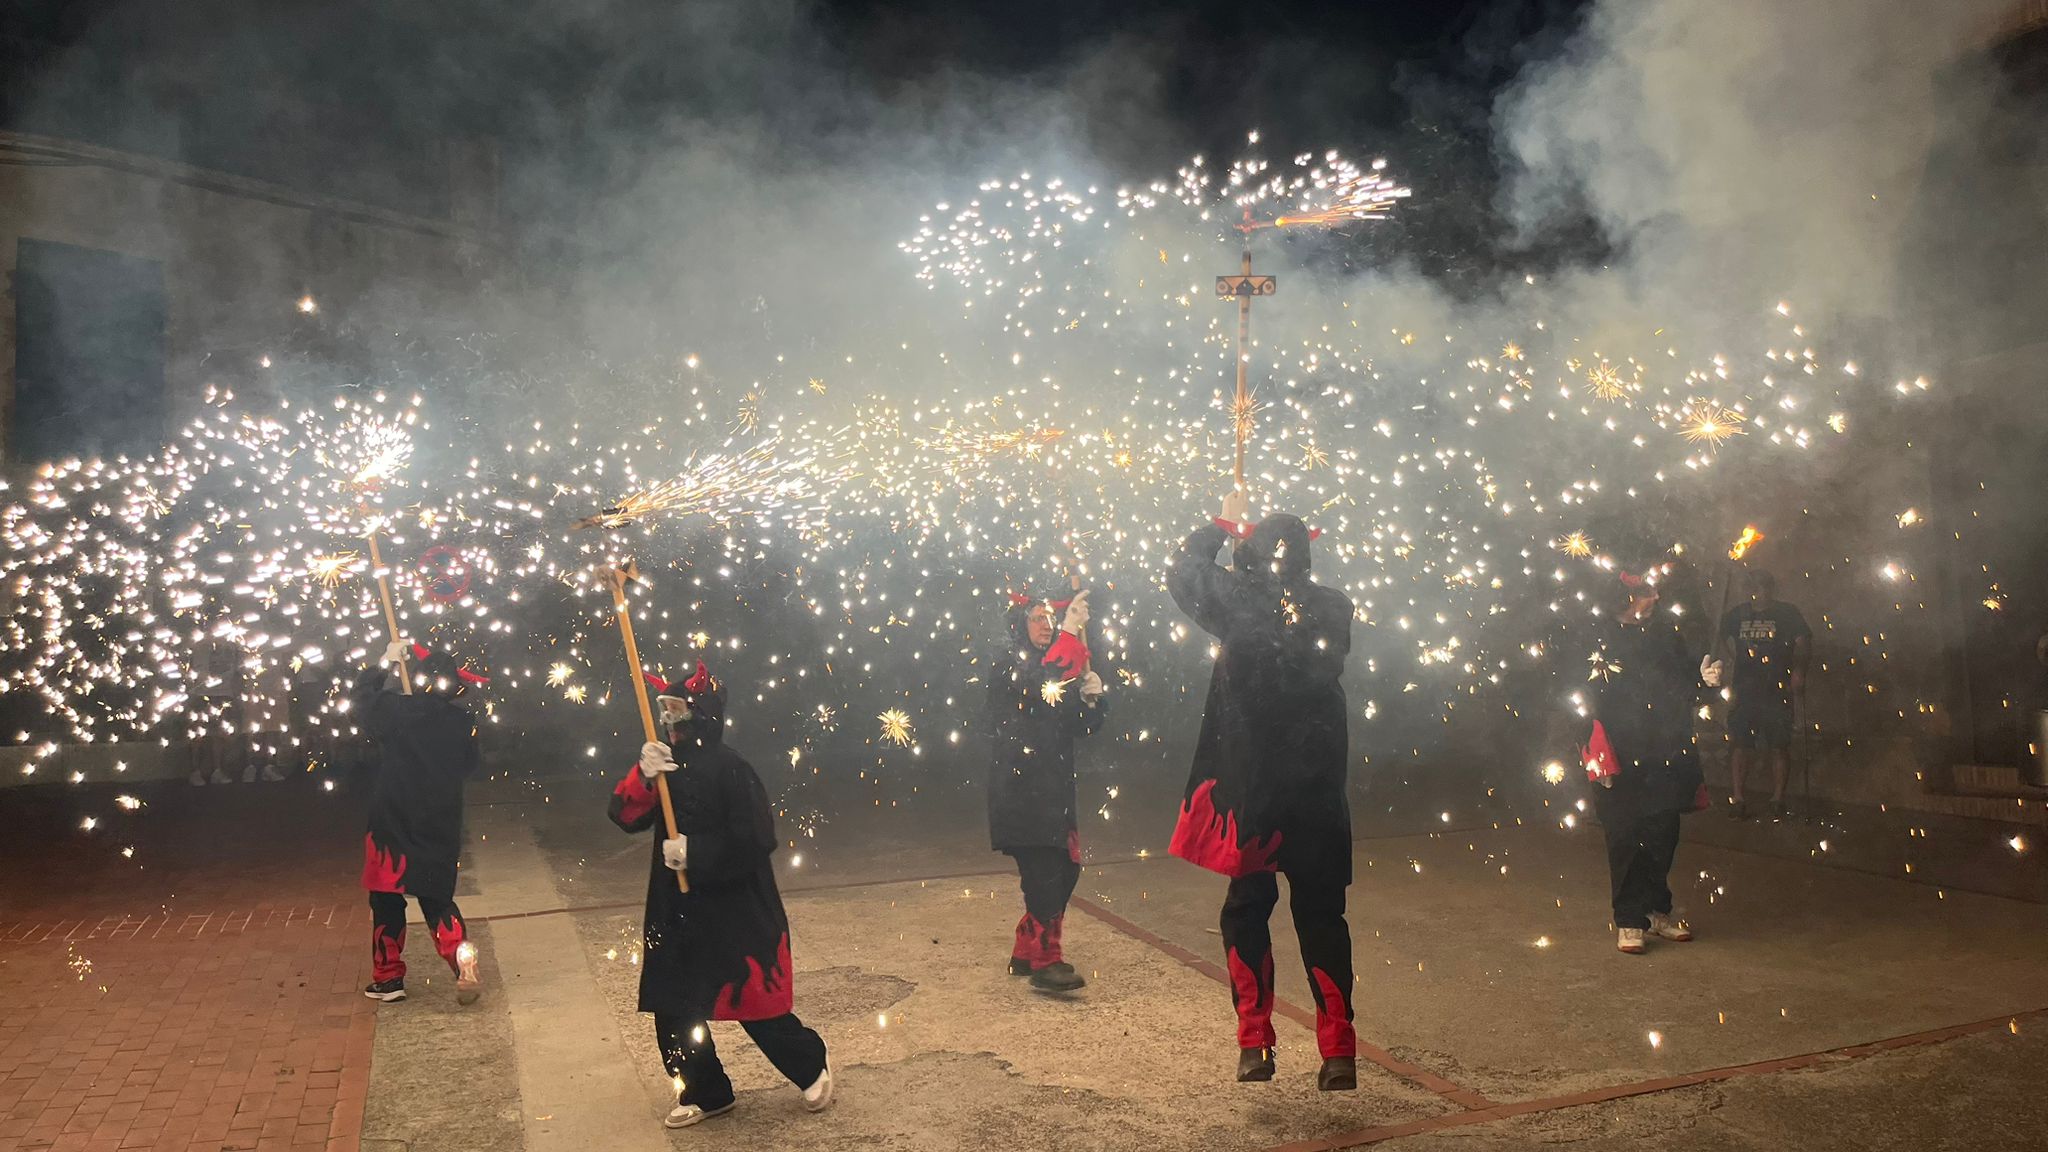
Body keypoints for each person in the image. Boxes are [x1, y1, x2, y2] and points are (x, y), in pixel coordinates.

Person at [1166, 490, 1358, 1091]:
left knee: (1247, 910)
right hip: (1318, 798)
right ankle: (1338, 1052)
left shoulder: (1238, 603)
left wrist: (1221, 524)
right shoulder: (1332, 606)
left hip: (1255, 801)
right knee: (1323, 915)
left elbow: (1183, 571)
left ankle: (1254, 1042)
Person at [610, 661, 834, 1130]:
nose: (669, 720)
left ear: (701, 713)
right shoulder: (664, 765)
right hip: (677, 908)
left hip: (733, 906)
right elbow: (626, 816)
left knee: (752, 1002)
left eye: (676, 710)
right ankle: (704, 1090)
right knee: (674, 1002)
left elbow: (755, 839)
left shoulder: (733, 768)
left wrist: (696, 852)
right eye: (663, 710)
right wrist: (643, 776)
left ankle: (809, 1064)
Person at [1580, 566, 1708, 954]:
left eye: (1655, 592)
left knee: (1662, 832)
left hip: (1665, 748)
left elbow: (1685, 679)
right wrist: (1596, 756)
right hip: (1618, 751)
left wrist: (1706, 678)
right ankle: (1629, 918)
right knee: (1624, 835)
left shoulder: (1665, 633)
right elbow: (1581, 699)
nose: (1654, 599)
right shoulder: (1597, 637)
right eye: (1645, 593)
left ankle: (1656, 909)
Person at [987, 587, 1108, 993]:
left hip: (1054, 791)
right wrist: (1070, 637)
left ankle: (1027, 946)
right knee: (1042, 872)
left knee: (1066, 868)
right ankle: (1046, 959)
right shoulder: (1010, 663)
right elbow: (1038, 683)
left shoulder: (1053, 668)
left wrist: (1093, 701)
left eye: (1049, 618)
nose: (1046, 625)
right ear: (1020, 624)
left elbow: (1077, 724)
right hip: (1022, 790)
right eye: (1037, 618)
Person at [354, 641, 484, 1005]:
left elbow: (362, 700)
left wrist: (383, 664)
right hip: (438, 820)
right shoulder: (463, 722)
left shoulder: (397, 710)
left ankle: (388, 977)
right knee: (436, 898)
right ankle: (462, 962)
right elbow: (469, 767)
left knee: (386, 897)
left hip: (392, 821)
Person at [1716, 569, 1811, 819]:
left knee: (1779, 744)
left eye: (1762, 587)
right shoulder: (1738, 614)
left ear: (1771, 589)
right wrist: (1729, 657)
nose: (1758, 592)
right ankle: (1738, 798)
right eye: (1754, 587)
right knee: (1740, 743)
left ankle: (1777, 798)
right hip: (1745, 688)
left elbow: (1802, 641)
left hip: (1776, 687)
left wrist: (1798, 671)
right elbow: (1718, 634)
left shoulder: (1786, 613)